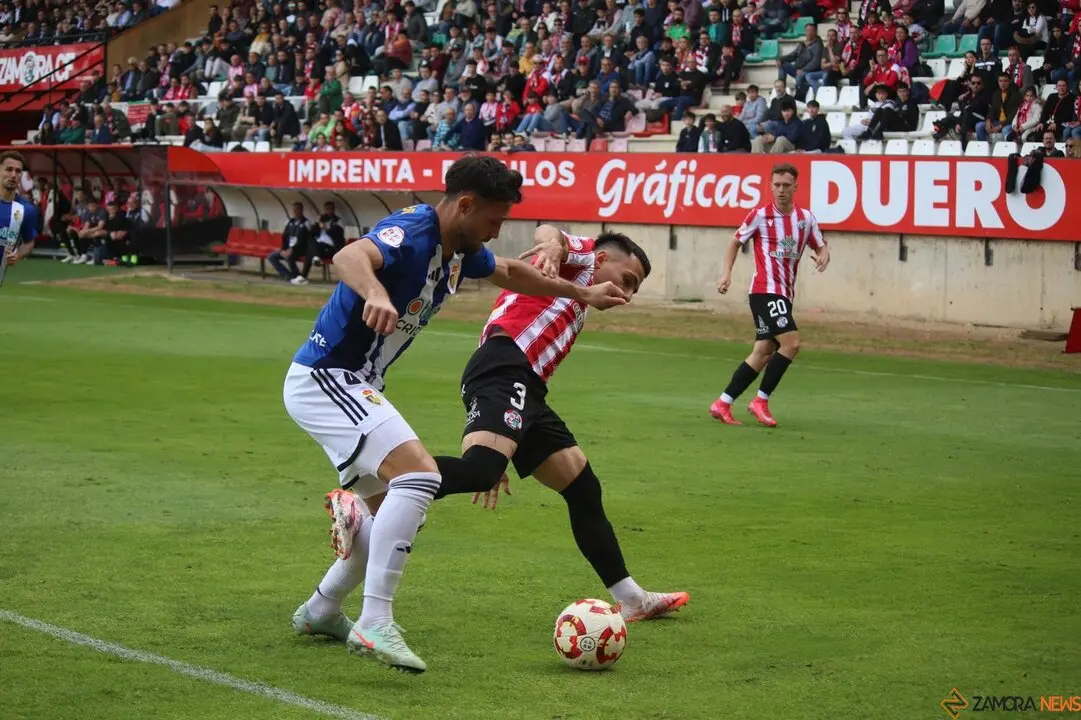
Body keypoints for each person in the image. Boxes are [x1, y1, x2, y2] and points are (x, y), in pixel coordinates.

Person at [284, 156, 628, 673]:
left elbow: (511, 271)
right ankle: (375, 622)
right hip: (327, 377)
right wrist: (375, 292)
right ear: (465, 205)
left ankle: (321, 608)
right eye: (494, 219)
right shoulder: (415, 230)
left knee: (394, 515)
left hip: (356, 383)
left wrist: (582, 293)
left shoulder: (459, 251)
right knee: (421, 477)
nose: (497, 231)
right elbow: (350, 255)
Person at [423, 225, 690, 624]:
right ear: (602, 260)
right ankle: (369, 494)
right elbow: (554, 235)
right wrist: (551, 244)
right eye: (627, 280)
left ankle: (633, 599)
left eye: (635, 289)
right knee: (482, 471)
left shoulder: (574, 290)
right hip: (507, 365)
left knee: (581, 487)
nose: (628, 294)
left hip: (526, 385)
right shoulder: (581, 262)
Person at [710, 163, 830, 427]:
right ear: (770, 186)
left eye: (786, 185)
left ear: (796, 187)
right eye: (777, 185)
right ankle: (760, 401)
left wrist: (824, 255)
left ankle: (723, 403)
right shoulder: (760, 215)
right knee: (791, 344)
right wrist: (726, 274)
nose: (781, 190)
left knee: (763, 351)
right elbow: (735, 242)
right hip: (765, 291)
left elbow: (821, 246)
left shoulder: (806, 219)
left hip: (784, 294)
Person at [0, 152, 41, 287]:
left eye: (18, 171)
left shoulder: (26, 210)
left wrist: (17, 255)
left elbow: (29, 242)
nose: (13, 175)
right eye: (9, 169)